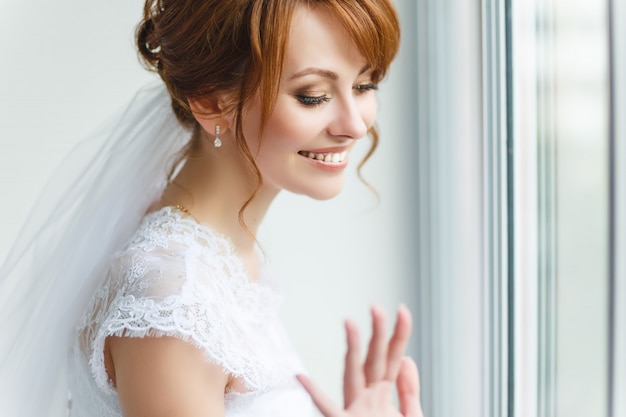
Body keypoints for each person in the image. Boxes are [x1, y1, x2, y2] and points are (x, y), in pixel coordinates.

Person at [0, 0, 423, 416]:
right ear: (209, 101)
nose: (355, 124)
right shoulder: (173, 307)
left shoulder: (216, 251)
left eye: (364, 85)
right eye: (313, 96)